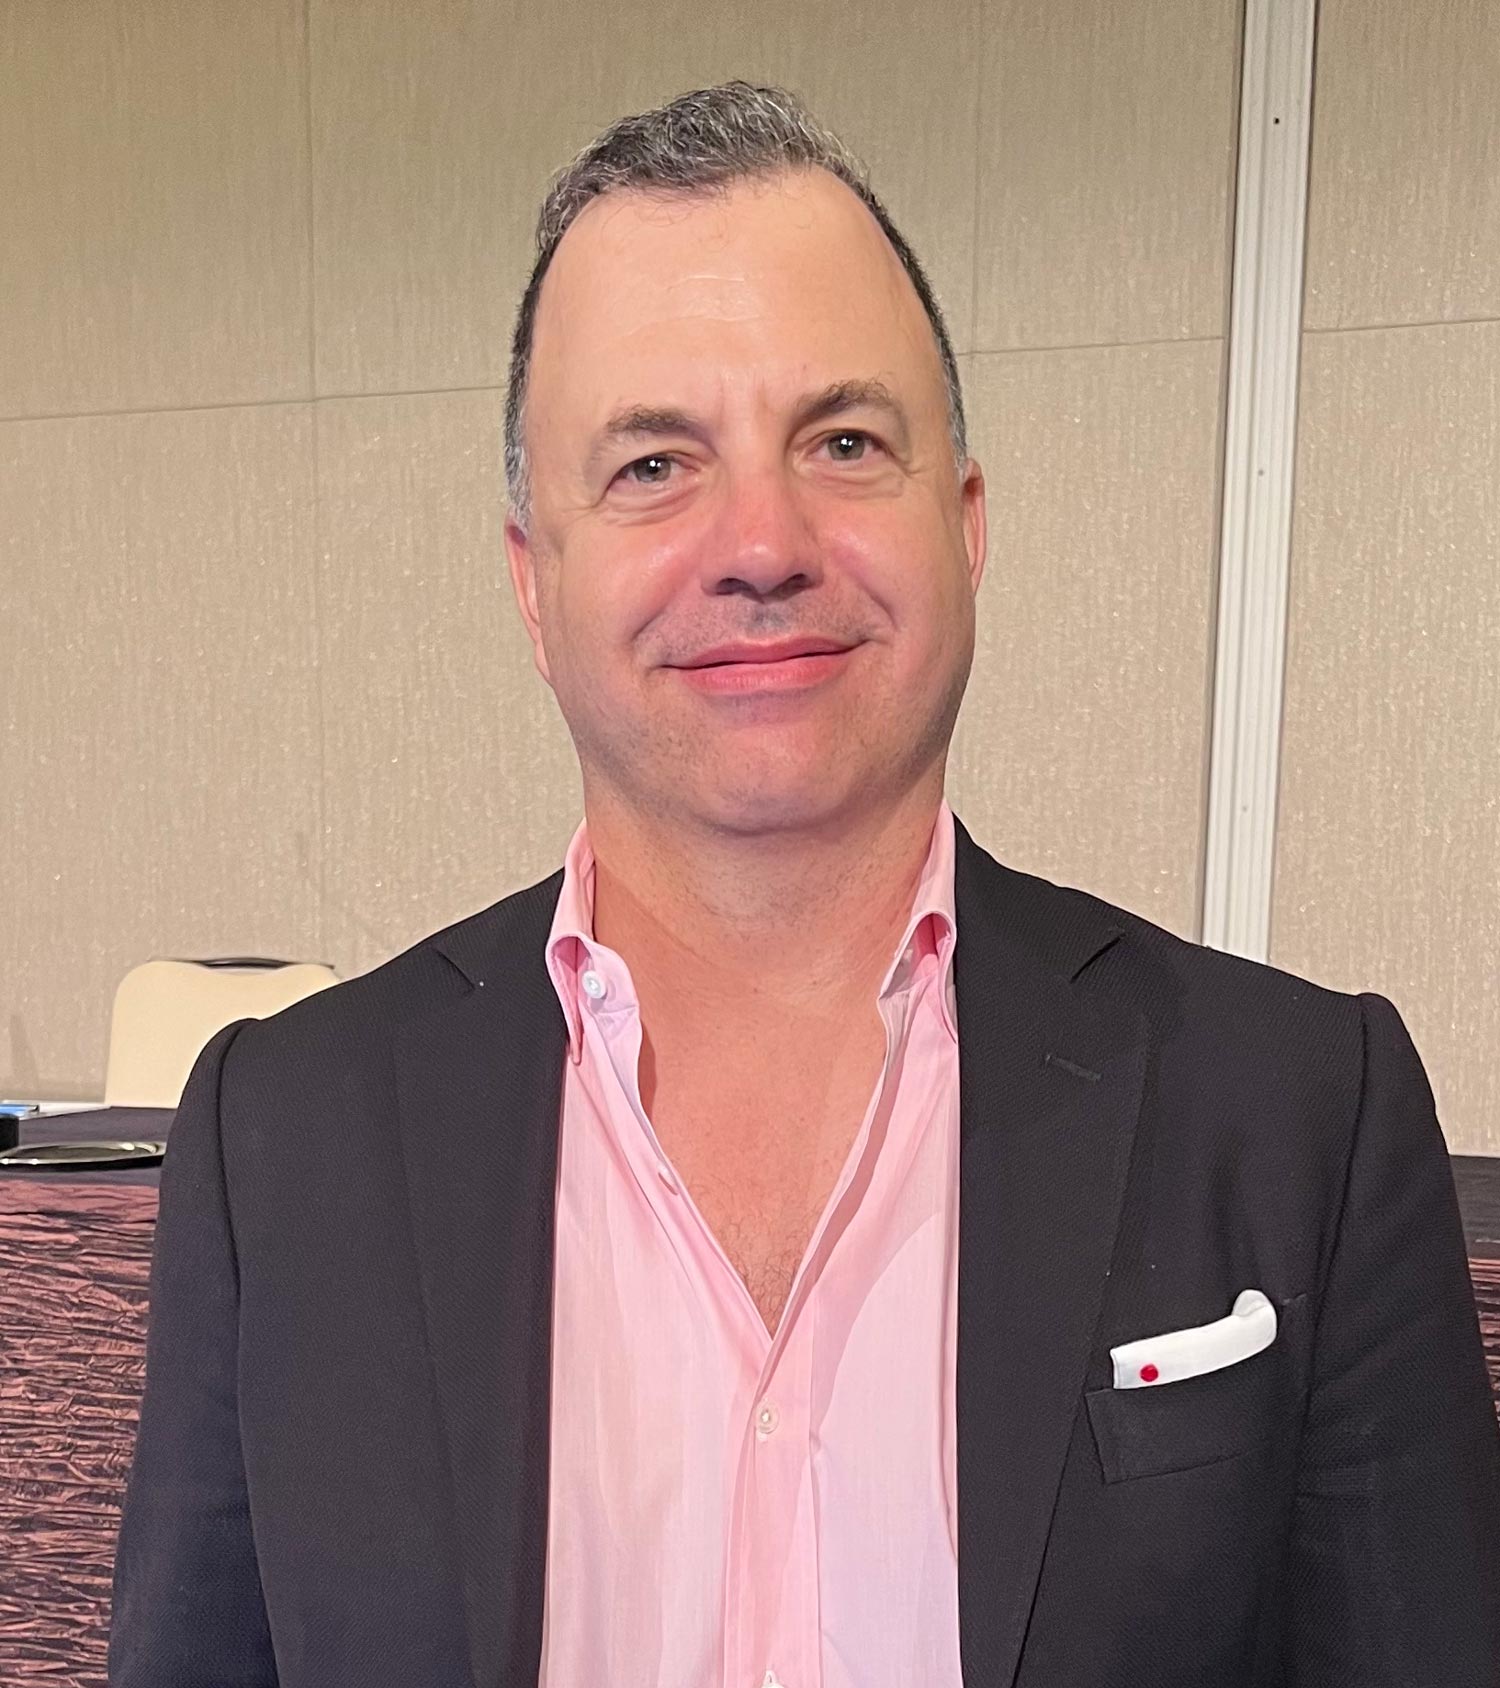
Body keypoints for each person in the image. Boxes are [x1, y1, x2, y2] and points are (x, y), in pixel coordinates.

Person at [108, 80, 1500, 1688]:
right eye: (652, 464)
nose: (761, 542)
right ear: (533, 583)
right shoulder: (284, 1139)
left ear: (964, 526)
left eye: (843, 442)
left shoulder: (1302, 1113)